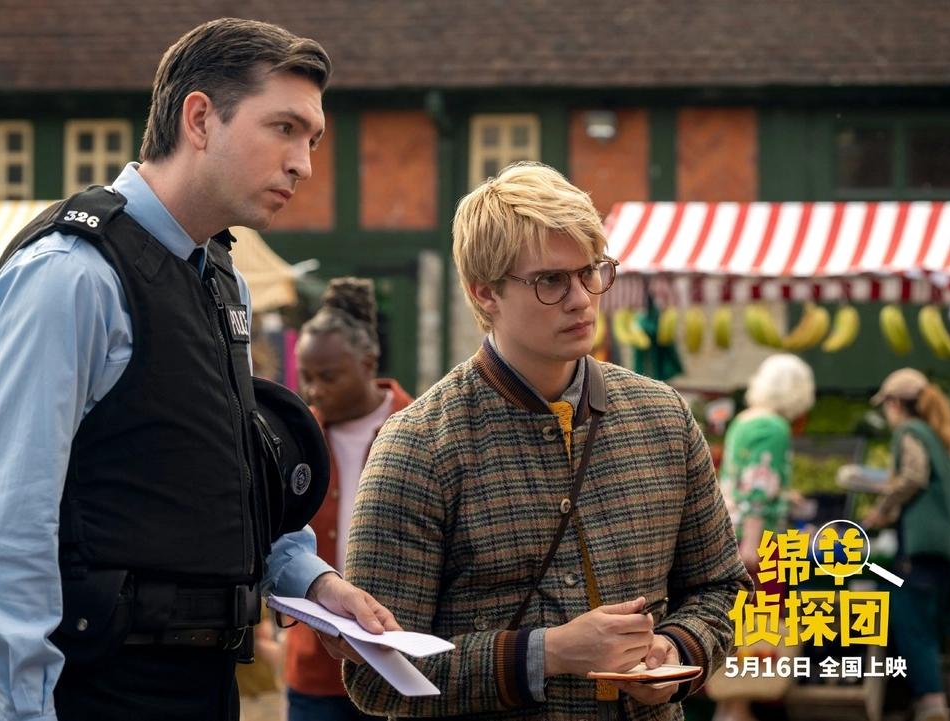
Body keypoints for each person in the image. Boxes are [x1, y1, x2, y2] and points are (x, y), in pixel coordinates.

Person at [0, 18, 397, 721]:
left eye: (312, 139)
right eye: (284, 128)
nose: (304, 164)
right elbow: (3, 533)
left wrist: (312, 581)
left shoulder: (222, 278)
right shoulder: (71, 276)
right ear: (199, 119)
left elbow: (223, 478)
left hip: (202, 682)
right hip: (95, 688)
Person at [343, 162, 751, 720]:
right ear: (484, 292)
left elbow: (722, 588)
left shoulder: (663, 417)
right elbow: (376, 671)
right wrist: (547, 654)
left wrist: (675, 651)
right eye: (551, 281)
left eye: (591, 271)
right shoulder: (418, 445)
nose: (581, 298)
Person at [284, 278, 414, 721]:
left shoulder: (420, 428)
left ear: (368, 363)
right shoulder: (297, 439)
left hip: (403, 661)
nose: (314, 390)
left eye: (328, 377)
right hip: (317, 670)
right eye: (306, 377)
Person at [712, 353, 815, 721]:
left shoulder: (745, 420)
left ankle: (730, 706)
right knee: (761, 628)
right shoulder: (774, 427)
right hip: (759, 543)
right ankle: (739, 707)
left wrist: (784, 496)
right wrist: (753, 543)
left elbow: (740, 479)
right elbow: (759, 487)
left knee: (740, 627)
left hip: (731, 532)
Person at [858, 369, 950, 721]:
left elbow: (913, 476)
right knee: (934, 622)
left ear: (895, 403)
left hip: (920, 549)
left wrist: (882, 510)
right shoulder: (939, 434)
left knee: (913, 621)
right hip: (942, 548)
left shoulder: (909, 431)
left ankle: (931, 704)